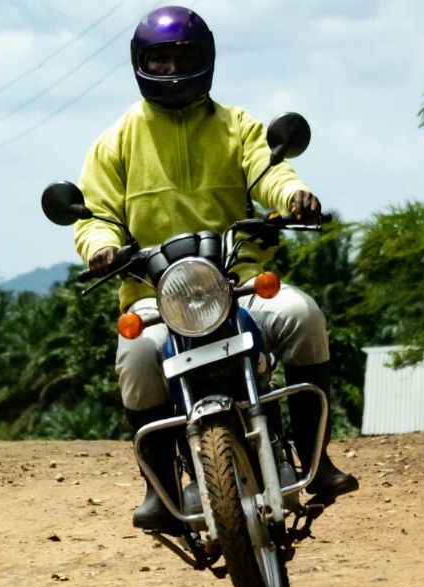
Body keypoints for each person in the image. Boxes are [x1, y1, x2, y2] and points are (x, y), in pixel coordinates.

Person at [72, 6, 358, 534]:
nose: (172, 67)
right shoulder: (115, 143)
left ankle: (316, 460)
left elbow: (270, 172)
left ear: (206, 60)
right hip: (156, 295)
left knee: (303, 315)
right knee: (135, 355)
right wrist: (101, 248)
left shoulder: (238, 127)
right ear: (140, 64)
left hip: (240, 282)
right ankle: (158, 488)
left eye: (184, 56)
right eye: (160, 58)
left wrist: (293, 195)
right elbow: (95, 216)